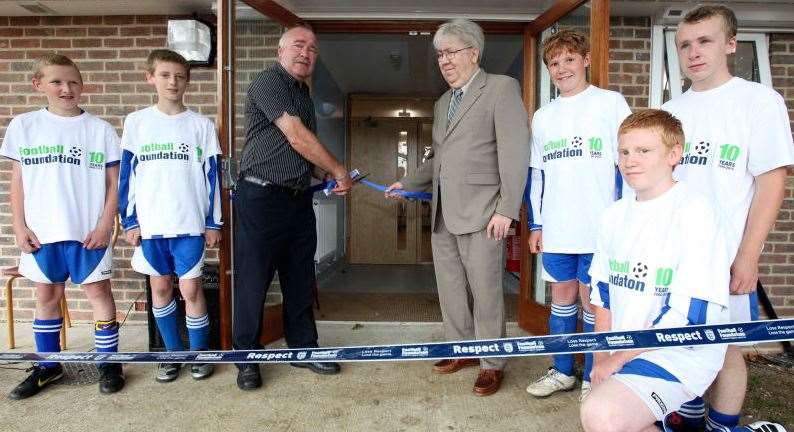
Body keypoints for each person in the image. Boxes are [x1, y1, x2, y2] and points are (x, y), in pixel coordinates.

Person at [661, 5, 794, 431]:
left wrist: (748, 256)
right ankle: (693, 416)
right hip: (675, 255)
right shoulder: (671, 110)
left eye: (705, 41)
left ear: (731, 44)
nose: (694, 52)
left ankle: (724, 424)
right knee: (682, 344)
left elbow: (772, 184)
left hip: (726, 257)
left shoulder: (758, 102)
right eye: (685, 44)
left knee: (726, 347)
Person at [386, 18, 529, 396]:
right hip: (442, 212)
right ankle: (462, 349)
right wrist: (408, 181)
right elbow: (439, 159)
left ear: (474, 53)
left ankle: (491, 361)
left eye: (451, 52)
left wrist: (507, 209)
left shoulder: (501, 88)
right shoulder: (442, 102)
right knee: (450, 289)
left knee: (485, 293)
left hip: (484, 213)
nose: (444, 61)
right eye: (440, 55)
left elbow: (515, 154)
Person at [580, 109, 732, 432]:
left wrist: (619, 360)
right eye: (624, 151)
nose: (630, 161)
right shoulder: (612, 216)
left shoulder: (697, 211)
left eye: (643, 151)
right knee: (601, 413)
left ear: (674, 154)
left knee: (602, 415)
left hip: (679, 351)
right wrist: (600, 359)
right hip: (627, 349)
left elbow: (686, 316)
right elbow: (602, 297)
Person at [233, 23, 352, 391]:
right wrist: (337, 169)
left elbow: (303, 152)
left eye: (313, 49)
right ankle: (247, 359)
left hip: (298, 199)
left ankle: (303, 348)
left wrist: (335, 176)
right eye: (298, 45)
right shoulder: (268, 82)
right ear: (280, 51)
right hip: (261, 198)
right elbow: (297, 137)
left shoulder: (303, 94)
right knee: (253, 281)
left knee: (300, 277)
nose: (306, 53)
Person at [1, 54, 125, 399]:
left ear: (82, 86)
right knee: (46, 295)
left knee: (99, 294)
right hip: (42, 232)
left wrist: (105, 224)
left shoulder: (99, 130)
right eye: (56, 81)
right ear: (38, 85)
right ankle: (47, 366)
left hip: (87, 233)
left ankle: (109, 362)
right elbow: (18, 181)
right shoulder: (24, 126)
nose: (66, 88)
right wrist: (18, 226)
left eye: (73, 82)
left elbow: (115, 183)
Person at [525, 29, 631, 401]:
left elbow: (627, 165)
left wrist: (626, 219)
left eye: (569, 59)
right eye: (554, 62)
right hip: (558, 228)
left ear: (585, 60)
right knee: (562, 299)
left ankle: (592, 376)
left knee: (593, 302)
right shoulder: (542, 116)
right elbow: (536, 174)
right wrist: (537, 224)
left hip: (600, 227)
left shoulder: (611, 103)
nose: (561, 68)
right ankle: (562, 371)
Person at [119, 49, 222, 383]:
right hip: (151, 225)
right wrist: (129, 220)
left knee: (191, 291)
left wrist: (212, 222)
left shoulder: (201, 125)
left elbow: (213, 176)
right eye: (164, 75)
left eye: (179, 76)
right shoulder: (137, 122)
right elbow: (127, 176)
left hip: (189, 224)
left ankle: (198, 356)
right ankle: (171, 355)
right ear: (151, 77)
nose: (172, 82)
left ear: (187, 81)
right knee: (160, 288)